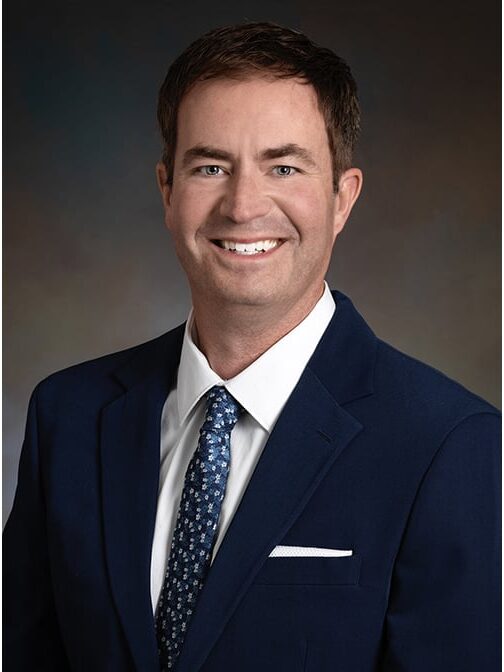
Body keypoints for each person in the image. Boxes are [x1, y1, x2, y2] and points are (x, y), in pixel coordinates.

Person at [4, 21, 500, 672]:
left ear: (342, 198)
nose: (242, 206)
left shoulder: (451, 445)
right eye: (210, 167)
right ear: (167, 191)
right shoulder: (67, 416)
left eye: (283, 167)